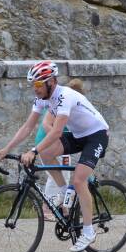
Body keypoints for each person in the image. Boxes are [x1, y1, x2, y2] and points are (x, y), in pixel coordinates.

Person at [0, 61, 109, 252]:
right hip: (79, 135)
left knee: (79, 180)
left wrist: (33, 151)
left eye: (38, 84)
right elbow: (27, 127)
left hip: (97, 135)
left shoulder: (64, 96)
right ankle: (63, 190)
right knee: (47, 152)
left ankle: (88, 232)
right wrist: (6, 149)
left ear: (51, 82)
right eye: (33, 85)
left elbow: (55, 132)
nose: (35, 89)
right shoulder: (42, 99)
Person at [36, 78, 85, 221]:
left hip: (55, 144)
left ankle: (64, 209)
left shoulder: (65, 101)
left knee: (65, 175)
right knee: (56, 175)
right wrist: (58, 139)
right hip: (51, 144)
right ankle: (47, 208)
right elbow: (46, 124)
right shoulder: (63, 102)